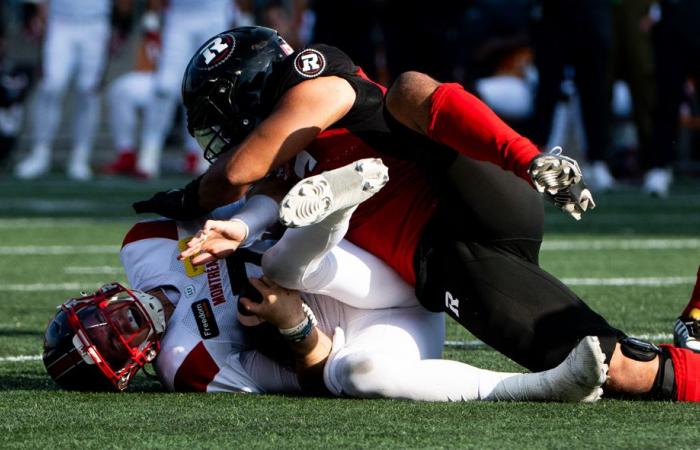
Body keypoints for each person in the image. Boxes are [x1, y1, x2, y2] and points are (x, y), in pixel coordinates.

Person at [134, 27, 700, 401]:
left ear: (251, 92)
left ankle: (532, 157)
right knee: (621, 368)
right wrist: (238, 219)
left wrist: (187, 199)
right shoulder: (283, 168)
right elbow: (253, 190)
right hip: (445, 260)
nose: (224, 134)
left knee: (407, 90)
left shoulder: (316, 81)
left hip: (465, 189)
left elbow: (234, 173)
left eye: (223, 113)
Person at [42, 167, 608, 401]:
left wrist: (247, 219)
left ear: (91, 296)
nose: (117, 324)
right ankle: (546, 386)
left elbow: (231, 193)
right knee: (360, 375)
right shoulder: (190, 363)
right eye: (112, 343)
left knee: (279, 265)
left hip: (362, 264)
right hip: (384, 324)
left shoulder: (144, 244)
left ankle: (337, 205)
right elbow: (312, 380)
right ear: (130, 368)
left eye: (97, 318)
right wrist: (291, 323)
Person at [135, 0, 237, 178]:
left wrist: (243, 13)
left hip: (215, 15)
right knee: (165, 87)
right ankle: (150, 149)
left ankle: (200, 152)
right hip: (179, 16)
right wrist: (152, 12)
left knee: (208, 87)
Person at [14, 0, 113, 181]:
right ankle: (40, 152)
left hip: (96, 22)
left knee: (88, 90)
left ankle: (80, 156)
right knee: (51, 85)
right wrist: (36, 11)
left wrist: (121, 24)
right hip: (60, 21)